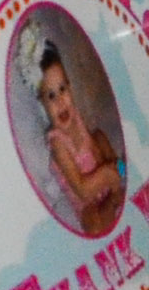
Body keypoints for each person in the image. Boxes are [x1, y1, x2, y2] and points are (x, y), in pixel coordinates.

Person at [36, 39, 127, 236]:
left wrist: (108, 164)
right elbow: (82, 190)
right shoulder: (57, 142)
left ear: (70, 87)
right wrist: (106, 175)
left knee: (99, 136)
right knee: (93, 225)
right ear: (42, 103)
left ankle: (120, 171)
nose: (60, 101)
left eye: (62, 89)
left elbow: (94, 147)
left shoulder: (76, 117)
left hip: (102, 177)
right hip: (86, 201)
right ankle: (115, 196)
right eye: (51, 96)